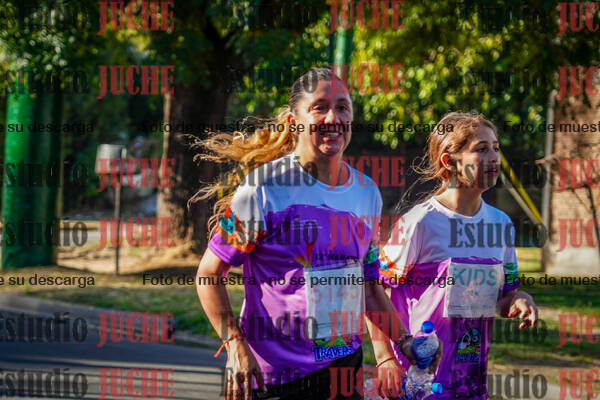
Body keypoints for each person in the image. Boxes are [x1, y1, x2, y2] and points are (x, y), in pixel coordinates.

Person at [194, 68, 434, 400]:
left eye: (342, 107)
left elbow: (368, 286)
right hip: (275, 378)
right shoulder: (264, 189)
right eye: (320, 107)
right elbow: (209, 274)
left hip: (343, 372)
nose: (333, 118)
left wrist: (402, 342)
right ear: (294, 121)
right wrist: (235, 345)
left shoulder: (366, 192)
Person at [376, 111, 539, 399]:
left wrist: (520, 300)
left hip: (470, 381)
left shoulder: (501, 224)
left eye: (496, 148)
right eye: (481, 149)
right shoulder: (419, 222)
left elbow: (502, 300)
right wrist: (384, 358)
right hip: (419, 379)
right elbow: (375, 291)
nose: (494, 157)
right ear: (449, 161)